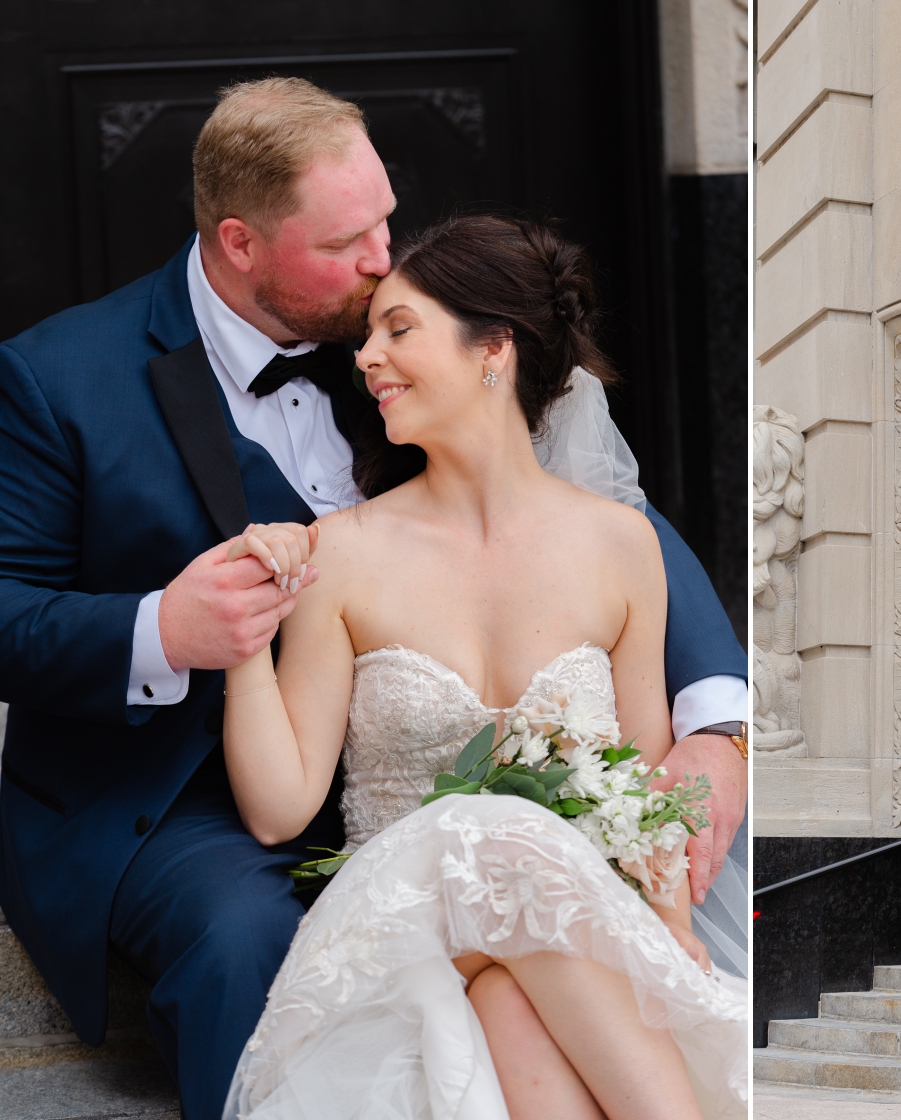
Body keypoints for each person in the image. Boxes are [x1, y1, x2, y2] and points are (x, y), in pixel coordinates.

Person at [0, 77, 747, 1120]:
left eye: (387, 220)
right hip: (178, 789)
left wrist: (717, 720)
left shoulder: (399, 336)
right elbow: (6, 608)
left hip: (456, 783)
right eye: (348, 239)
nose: (379, 258)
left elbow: (601, 520)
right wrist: (161, 630)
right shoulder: (57, 378)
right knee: (244, 939)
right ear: (240, 242)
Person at [216, 214, 744, 1119]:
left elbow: (643, 795)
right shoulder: (338, 552)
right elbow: (277, 808)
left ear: (493, 348)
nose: (366, 358)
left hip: (551, 946)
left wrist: (672, 936)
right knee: (495, 835)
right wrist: (239, 640)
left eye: (399, 328)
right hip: (405, 923)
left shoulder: (622, 546)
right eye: (370, 332)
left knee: (510, 1001)